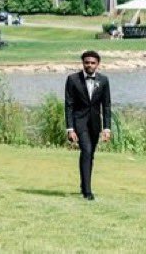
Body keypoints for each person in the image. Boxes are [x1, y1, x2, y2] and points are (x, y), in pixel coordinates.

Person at [65, 50, 112, 200]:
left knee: (90, 154)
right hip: (79, 122)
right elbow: (69, 105)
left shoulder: (103, 81)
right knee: (86, 150)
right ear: (83, 63)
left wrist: (106, 128)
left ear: (98, 64)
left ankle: (83, 184)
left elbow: (106, 106)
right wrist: (70, 128)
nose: (89, 65)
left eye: (92, 62)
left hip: (95, 123)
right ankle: (87, 191)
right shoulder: (72, 79)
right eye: (87, 62)